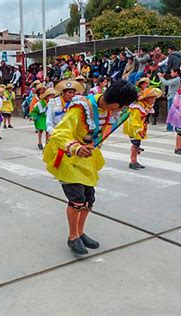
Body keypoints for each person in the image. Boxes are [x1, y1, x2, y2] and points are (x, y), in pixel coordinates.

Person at [43, 80, 138, 255]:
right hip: (68, 156)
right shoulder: (81, 107)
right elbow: (59, 132)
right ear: (116, 104)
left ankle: (80, 232)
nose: (122, 110)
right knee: (77, 199)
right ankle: (72, 237)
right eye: (122, 107)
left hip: (86, 158)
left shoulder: (108, 110)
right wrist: (76, 148)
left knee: (88, 199)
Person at [123, 88, 163, 170]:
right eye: (152, 97)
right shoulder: (138, 106)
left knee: (137, 143)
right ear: (147, 98)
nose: (154, 100)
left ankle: (134, 160)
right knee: (135, 143)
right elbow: (135, 119)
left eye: (155, 98)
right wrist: (138, 130)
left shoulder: (145, 105)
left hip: (139, 126)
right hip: (133, 127)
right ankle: (132, 161)